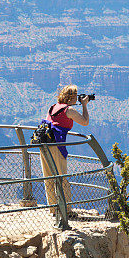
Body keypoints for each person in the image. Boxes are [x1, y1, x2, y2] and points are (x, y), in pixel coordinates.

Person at [40, 84, 90, 217]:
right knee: (62, 177)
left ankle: (54, 209)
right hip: (56, 145)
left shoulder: (53, 107)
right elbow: (85, 122)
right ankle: (66, 210)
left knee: (49, 176)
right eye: (76, 96)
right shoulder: (69, 110)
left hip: (44, 144)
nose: (77, 98)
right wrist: (84, 105)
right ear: (71, 97)